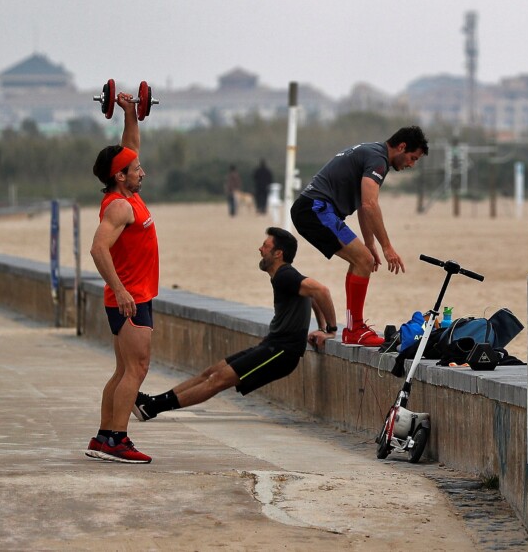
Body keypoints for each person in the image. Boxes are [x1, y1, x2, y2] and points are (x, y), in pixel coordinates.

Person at [132, 227, 338, 424]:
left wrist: (330, 330)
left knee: (218, 380)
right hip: (271, 344)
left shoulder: (285, 275)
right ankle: (150, 403)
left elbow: (321, 291)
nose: (260, 249)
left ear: (278, 253)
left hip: (283, 352)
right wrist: (320, 326)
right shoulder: (286, 276)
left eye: (265, 246)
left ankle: (152, 408)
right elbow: (312, 296)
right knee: (211, 372)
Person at [290, 126, 428, 347]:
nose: (411, 164)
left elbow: (364, 207)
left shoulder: (373, 153)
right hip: (315, 209)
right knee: (363, 260)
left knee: (363, 258)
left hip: (314, 209)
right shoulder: (378, 159)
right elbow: (370, 204)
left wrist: (370, 243)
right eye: (412, 158)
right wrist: (387, 247)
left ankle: (354, 328)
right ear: (401, 147)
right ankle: (355, 329)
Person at [86, 90, 159, 463]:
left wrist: (130, 112)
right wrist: (122, 290)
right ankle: (118, 440)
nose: (142, 171)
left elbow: (129, 147)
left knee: (122, 370)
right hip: (130, 298)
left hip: (134, 294)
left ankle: (102, 438)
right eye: (136, 169)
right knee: (138, 367)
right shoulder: (118, 206)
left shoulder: (127, 194)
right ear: (120, 175)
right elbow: (98, 249)